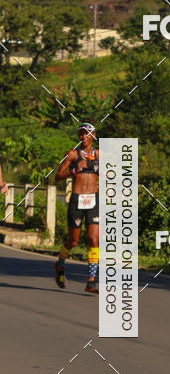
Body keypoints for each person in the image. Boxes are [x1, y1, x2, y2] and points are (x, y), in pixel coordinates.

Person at [53, 123, 100, 293]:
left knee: (94, 240)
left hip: (94, 200)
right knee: (73, 241)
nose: (83, 137)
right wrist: (73, 170)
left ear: (93, 135)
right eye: (81, 134)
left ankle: (91, 281)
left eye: (87, 134)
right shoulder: (73, 154)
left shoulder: (100, 155)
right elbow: (58, 176)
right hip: (77, 200)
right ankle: (59, 264)